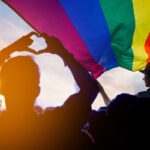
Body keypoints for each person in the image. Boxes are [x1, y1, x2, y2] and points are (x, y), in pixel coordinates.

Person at [0, 32, 99, 149]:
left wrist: (9, 50)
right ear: (37, 90)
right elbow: (89, 88)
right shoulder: (52, 126)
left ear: (2, 89)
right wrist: (62, 52)